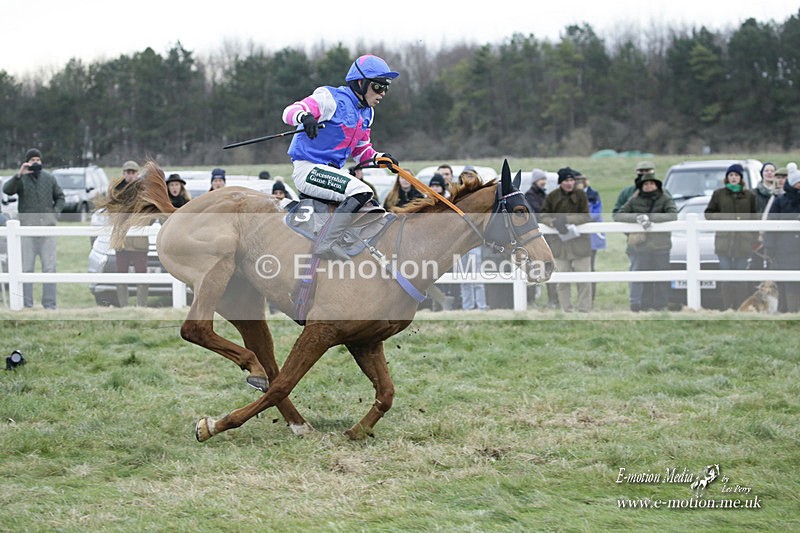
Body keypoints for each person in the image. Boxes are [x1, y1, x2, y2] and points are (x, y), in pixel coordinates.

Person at [281, 54, 400, 261]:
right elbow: (290, 111)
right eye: (378, 87)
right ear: (361, 83)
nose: (382, 93)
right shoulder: (329, 98)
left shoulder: (367, 113)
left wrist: (380, 158)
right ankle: (325, 243)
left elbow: (362, 151)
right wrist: (305, 117)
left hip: (331, 173)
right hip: (307, 169)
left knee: (369, 204)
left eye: (386, 88)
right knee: (362, 190)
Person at [2, 148, 64, 309]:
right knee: (26, 269)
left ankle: (50, 305)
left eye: (38, 159)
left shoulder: (49, 178)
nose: (36, 162)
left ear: (41, 161)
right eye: (32, 160)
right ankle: (26, 304)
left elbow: (60, 197)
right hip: (27, 231)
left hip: (47, 230)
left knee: (49, 269)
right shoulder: (21, 179)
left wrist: (55, 213)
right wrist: (19, 174)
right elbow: (7, 190)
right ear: (27, 162)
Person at [613, 174, 677, 311]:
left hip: (661, 245)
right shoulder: (634, 200)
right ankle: (645, 305)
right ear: (641, 186)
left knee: (662, 277)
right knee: (645, 277)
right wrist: (638, 217)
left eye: (651, 184)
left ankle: (661, 305)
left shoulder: (665, 198)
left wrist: (651, 218)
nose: (649, 187)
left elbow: (672, 214)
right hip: (642, 246)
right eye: (645, 184)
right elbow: (619, 215)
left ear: (657, 185)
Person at [704, 163, 758, 310]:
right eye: (731, 175)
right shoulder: (718, 194)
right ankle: (727, 307)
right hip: (724, 241)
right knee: (726, 278)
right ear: (727, 177)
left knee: (741, 278)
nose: (733, 178)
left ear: (741, 178)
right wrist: (723, 218)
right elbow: (708, 213)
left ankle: (741, 308)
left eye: (736, 175)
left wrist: (755, 238)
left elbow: (755, 218)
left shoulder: (749, 196)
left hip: (743, 242)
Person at [539, 167, 592, 312]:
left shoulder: (581, 195)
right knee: (562, 280)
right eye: (566, 181)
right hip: (559, 246)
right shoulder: (552, 196)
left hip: (580, 245)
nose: (569, 183)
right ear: (560, 182)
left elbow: (586, 216)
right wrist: (553, 222)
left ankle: (584, 309)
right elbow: (542, 215)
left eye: (571, 180)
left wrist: (567, 220)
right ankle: (566, 309)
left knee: (584, 279)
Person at [613, 161, 656, 311]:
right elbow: (617, 214)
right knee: (637, 271)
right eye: (641, 171)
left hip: (658, 242)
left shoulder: (663, 192)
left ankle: (653, 304)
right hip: (636, 241)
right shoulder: (628, 193)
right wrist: (637, 219)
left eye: (648, 171)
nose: (644, 175)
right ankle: (635, 304)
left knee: (656, 273)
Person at [113, 161, 150, 307]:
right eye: (127, 172)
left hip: (139, 243)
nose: (130, 175)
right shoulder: (116, 192)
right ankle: (123, 306)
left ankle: (142, 306)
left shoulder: (144, 192)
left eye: (133, 172)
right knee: (121, 276)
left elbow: (150, 215)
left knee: (142, 276)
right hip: (121, 243)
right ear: (123, 174)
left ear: (137, 174)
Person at [765, 162, 800, 312]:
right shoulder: (780, 201)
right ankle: (788, 312)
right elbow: (770, 225)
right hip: (785, 250)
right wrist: (769, 247)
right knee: (786, 283)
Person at [456, 167, 489, 311]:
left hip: (474, 242)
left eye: (470, 176)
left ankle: (481, 306)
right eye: (465, 176)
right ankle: (467, 306)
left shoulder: (479, 196)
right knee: (463, 276)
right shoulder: (456, 196)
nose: (467, 179)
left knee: (477, 276)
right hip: (459, 242)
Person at [575, 170, 606, 303]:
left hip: (592, 237)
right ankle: (582, 297)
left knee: (590, 267)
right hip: (577, 237)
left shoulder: (593, 195)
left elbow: (595, 213)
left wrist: (579, 218)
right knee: (577, 269)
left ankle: (590, 299)